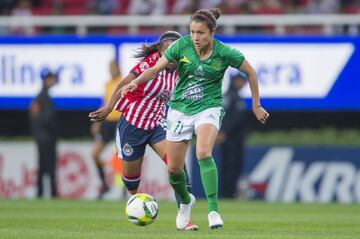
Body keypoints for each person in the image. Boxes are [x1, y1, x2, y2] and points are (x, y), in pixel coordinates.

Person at [121, 8, 269, 230]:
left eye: (200, 33)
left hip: (208, 107)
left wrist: (256, 104)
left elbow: (251, 72)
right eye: (192, 32)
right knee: (173, 169)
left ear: (212, 32)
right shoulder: (181, 46)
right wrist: (135, 82)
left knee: (202, 152)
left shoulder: (225, 52)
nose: (195, 37)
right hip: (180, 109)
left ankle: (213, 210)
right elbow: (155, 69)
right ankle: (186, 203)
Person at [89, 31, 198, 231]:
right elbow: (123, 84)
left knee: (177, 166)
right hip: (132, 124)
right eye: (167, 51)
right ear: (160, 51)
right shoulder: (149, 64)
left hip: (157, 124)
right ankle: (134, 201)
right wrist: (108, 108)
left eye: (175, 51)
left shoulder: (183, 66)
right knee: (131, 182)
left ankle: (184, 213)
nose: (171, 57)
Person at [90, 60, 122, 199]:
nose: (112, 70)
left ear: (118, 68)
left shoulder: (123, 82)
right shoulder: (107, 84)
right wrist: (98, 122)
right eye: (110, 68)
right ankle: (104, 184)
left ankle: (124, 189)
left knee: (121, 157)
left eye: (113, 67)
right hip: (107, 123)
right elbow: (105, 103)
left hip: (120, 122)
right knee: (95, 154)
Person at [217, 70, 248, 198]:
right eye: (240, 80)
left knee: (231, 166)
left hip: (233, 138)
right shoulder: (231, 97)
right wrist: (223, 131)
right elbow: (231, 118)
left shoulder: (232, 96)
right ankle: (228, 193)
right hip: (230, 139)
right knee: (230, 166)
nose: (242, 83)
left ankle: (229, 192)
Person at [29, 71, 59, 198]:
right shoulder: (43, 98)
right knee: (48, 165)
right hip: (46, 136)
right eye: (52, 79)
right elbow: (45, 119)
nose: (54, 82)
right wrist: (55, 128)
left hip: (42, 136)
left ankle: (41, 192)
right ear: (47, 80)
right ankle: (50, 192)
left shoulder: (41, 97)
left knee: (43, 164)